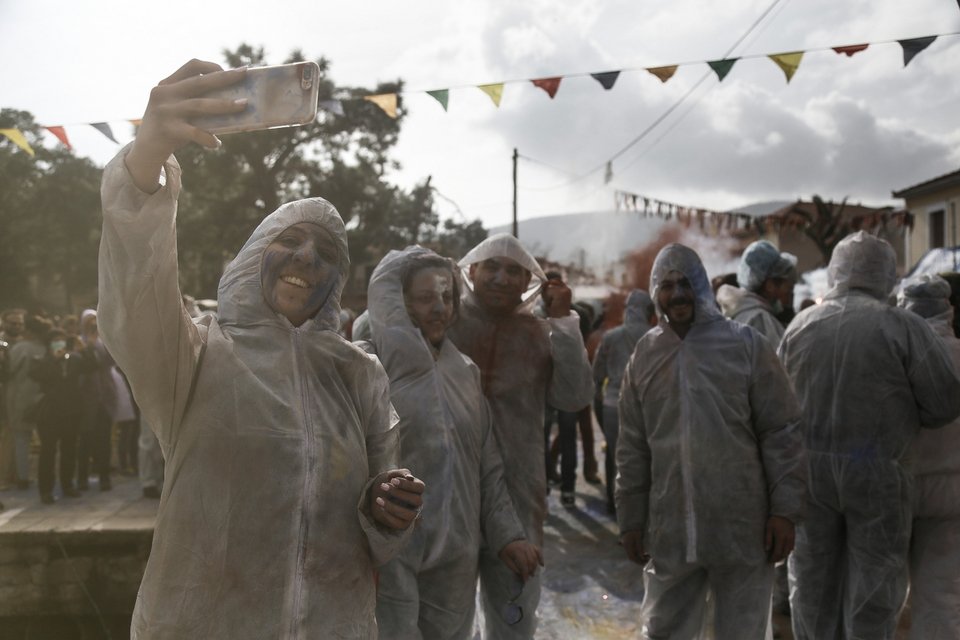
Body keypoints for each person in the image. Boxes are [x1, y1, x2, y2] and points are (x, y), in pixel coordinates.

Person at [98, 58, 424, 638]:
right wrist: (146, 159)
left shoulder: (359, 374)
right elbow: (136, 288)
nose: (307, 258)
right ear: (254, 258)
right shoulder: (193, 357)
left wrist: (386, 509)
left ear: (335, 280)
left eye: (325, 253)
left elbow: (380, 521)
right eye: (290, 242)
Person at [616, 243, 805, 639]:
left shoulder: (745, 345)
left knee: (742, 632)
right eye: (667, 285)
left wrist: (784, 511)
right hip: (670, 530)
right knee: (665, 629)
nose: (678, 294)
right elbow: (633, 445)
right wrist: (631, 518)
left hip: (741, 527)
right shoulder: (645, 356)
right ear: (655, 293)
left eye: (686, 282)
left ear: (701, 286)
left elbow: (781, 430)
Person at [778, 231, 960, 640]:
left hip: (811, 477)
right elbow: (944, 404)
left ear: (835, 271)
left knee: (811, 583)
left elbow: (776, 408)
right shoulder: (903, 327)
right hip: (878, 476)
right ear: (886, 273)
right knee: (874, 589)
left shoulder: (800, 326)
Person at [364, 246, 541, 639]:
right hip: (392, 547)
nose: (440, 308)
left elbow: (487, 468)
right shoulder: (371, 366)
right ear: (400, 303)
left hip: (458, 554)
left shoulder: (465, 372)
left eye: (447, 297)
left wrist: (508, 535)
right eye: (426, 298)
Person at [446, 233, 594, 638]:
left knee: (513, 615)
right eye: (491, 266)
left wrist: (564, 322)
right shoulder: (444, 321)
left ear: (530, 281)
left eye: (514, 270)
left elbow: (575, 396)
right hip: (446, 491)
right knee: (443, 620)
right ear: (471, 270)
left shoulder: (541, 333)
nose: (500, 278)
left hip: (517, 495)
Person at [896, 274, 960, 638]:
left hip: (897, 486)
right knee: (941, 593)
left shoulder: (893, 355)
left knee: (882, 591)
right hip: (953, 492)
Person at [592, 289, 655, 514]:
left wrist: (600, 406)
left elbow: (596, 376)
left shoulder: (610, 337)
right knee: (645, 457)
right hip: (647, 407)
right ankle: (642, 508)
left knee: (615, 455)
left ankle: (615, 502)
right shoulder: (656, 336)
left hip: (613, 406)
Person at [30, 328, 89, 503]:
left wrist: (83, 348)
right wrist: (52, 360)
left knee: (69, 449)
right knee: (48, 450)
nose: (59, 343)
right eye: (55, 340)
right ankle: (46, 490)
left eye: (61, 340)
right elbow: (35, 375)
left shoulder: (74, 359)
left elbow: (93, 366)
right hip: (50, 413)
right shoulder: (41, 361)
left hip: (71, 411)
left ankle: (67, 484)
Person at [715, 239, 797, 348]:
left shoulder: (744, 313)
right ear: (770, 285)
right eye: (787, 285)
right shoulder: (759, 319)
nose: (789, 291)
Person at [4, 314, 50, 489]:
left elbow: (9, 371)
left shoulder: (20, 348)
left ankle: (22, 476)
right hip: (41, 397)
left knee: (21, 439)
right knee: (44, 439)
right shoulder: (45, 348)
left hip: (19, 398)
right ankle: (41, 474)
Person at [75, 310, 117, 492]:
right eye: (89, 324)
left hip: (105, 398)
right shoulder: (78, 342)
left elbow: (111, 361)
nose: (92, 327)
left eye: (95, 323)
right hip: (86, 400)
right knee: (85, 442)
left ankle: (104, 478)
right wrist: (89, 347)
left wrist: (100, 341)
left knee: (104, 442)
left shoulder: (104, 342)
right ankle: (82, 478)